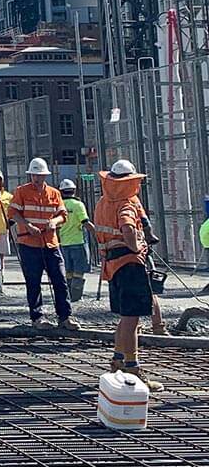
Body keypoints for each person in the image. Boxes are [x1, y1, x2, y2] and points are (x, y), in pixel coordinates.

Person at [92, 159, 162, 389]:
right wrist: (137, 247)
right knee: (132, 319)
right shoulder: (124, 204)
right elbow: (128, 229)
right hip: (129, 264)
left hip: (113, 265)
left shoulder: (103, 202)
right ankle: (132, 368)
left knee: (124, 317)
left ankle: (117, 360)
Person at [8, 157, 80, 330]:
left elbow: (63, 214)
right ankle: (37, 317)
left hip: (50, 243)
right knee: (33, 282)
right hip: (28, 244)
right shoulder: (22, 192)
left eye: (39, 175)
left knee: (60, 281)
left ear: (45, 176)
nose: (36, 178)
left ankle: (65, 317)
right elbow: (12, 212)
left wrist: (54, 222)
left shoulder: (54, 193)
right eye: (34, 175)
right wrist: (27, 225)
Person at [57, 178, 91, 302]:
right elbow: (85, 222)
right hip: (78, 242)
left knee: (68, 271)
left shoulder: (58, 205)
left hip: (64, 243)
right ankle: (76, 296)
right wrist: (98, 234)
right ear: (74, 190)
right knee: (79, 271)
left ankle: (68, 295)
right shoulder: (78, 205)